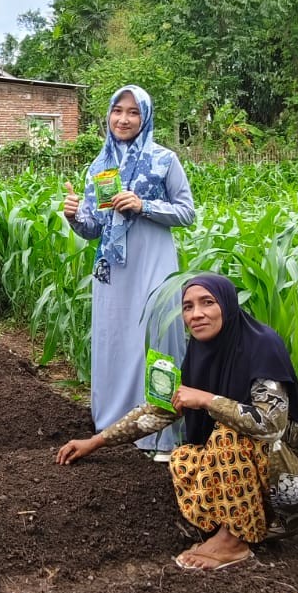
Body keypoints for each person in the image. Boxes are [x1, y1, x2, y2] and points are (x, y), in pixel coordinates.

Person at [56, 273, 298, 572]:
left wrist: (207, 400)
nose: (196, 314)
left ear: (227, 306)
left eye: (207, 303)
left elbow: (271, 424)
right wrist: (96, 442)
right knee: (184, 459)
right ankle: (272, 523)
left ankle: (233, 542)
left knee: (229, 435)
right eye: (187, 307)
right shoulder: (200, 351)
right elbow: (163, 410)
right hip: (262, 473)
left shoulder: (262, 344)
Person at [63, 84, 194, 454]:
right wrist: (74, 217)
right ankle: (115, 423)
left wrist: (143, 205)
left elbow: (187, 212)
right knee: (115, 338)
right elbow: (92, 229)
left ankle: (161, 432)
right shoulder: (99, 166)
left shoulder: (164, 160)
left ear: (146, 117)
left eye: (133, 112)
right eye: (118, 110)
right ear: (108, 114)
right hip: (112, 268)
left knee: (156, 338)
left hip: (153, 261)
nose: (124, 119)